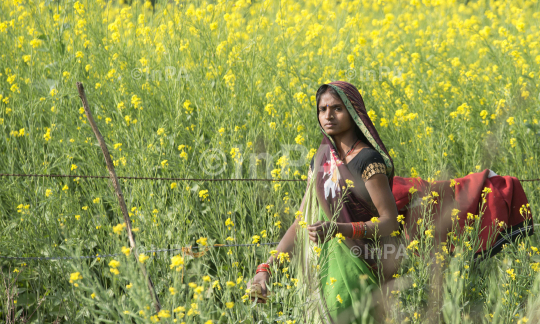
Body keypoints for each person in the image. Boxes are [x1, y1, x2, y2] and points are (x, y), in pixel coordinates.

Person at [246, 81, 534, 324]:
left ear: (354, 113)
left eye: (337, 108)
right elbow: (303, 220)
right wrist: (265, 269)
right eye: (322, 109)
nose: (328, 115)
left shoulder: (367, 161)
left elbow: (389, 222)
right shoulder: (321, 160)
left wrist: (338, 230)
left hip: (361, 269)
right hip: (323, 272)